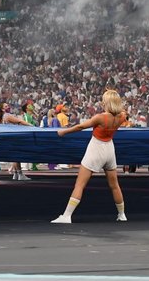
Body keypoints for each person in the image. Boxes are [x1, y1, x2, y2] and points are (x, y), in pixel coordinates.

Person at [51, 89, 128, 224]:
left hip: (96, 148)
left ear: (107, 102)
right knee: (115, 185)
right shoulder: (122, 115)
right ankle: (122, 214)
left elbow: (80, 126)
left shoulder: (101, 117)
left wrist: (64, 132)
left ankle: (67, 215)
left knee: (80, 184)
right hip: (110, 149)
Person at [0, 100, 34, 181]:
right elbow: (20, 121)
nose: (8, 107)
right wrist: (31, 125)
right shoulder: (7, 115)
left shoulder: (3, 116)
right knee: (17, 155)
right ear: (3, 109)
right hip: (13, 137)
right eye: (6, 106)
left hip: (9, 137)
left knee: (14, 156)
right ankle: (20, 174)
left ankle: (16, 173)